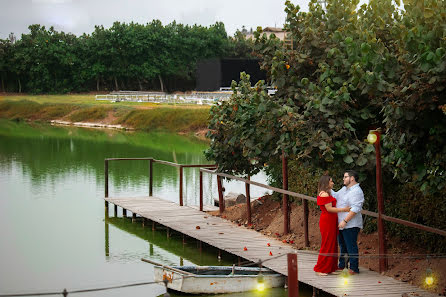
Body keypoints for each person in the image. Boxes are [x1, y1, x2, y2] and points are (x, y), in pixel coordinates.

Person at [314, 175, 351, 276]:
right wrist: (344, 209)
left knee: (333, 244)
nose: (333, 183)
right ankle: (321, 268)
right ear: (326, 183)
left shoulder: (328, 193)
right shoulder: (324, 194)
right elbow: (329, 209)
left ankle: (331, 267)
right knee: (327, 244)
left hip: (331, 220)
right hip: (327, 220)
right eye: (331, 181)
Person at [331, 170, 364, 275]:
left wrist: (345, 221)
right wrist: (327, 188)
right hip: (341, 223)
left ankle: (354, 268)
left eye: (345, 177)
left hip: (351, 224)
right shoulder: (345, 189)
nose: (343, 179)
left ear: (352, 178)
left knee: (351, 246)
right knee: (343, 245)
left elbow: (355, 208)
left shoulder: (357, 191)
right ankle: (342, 265)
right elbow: (335, 196)